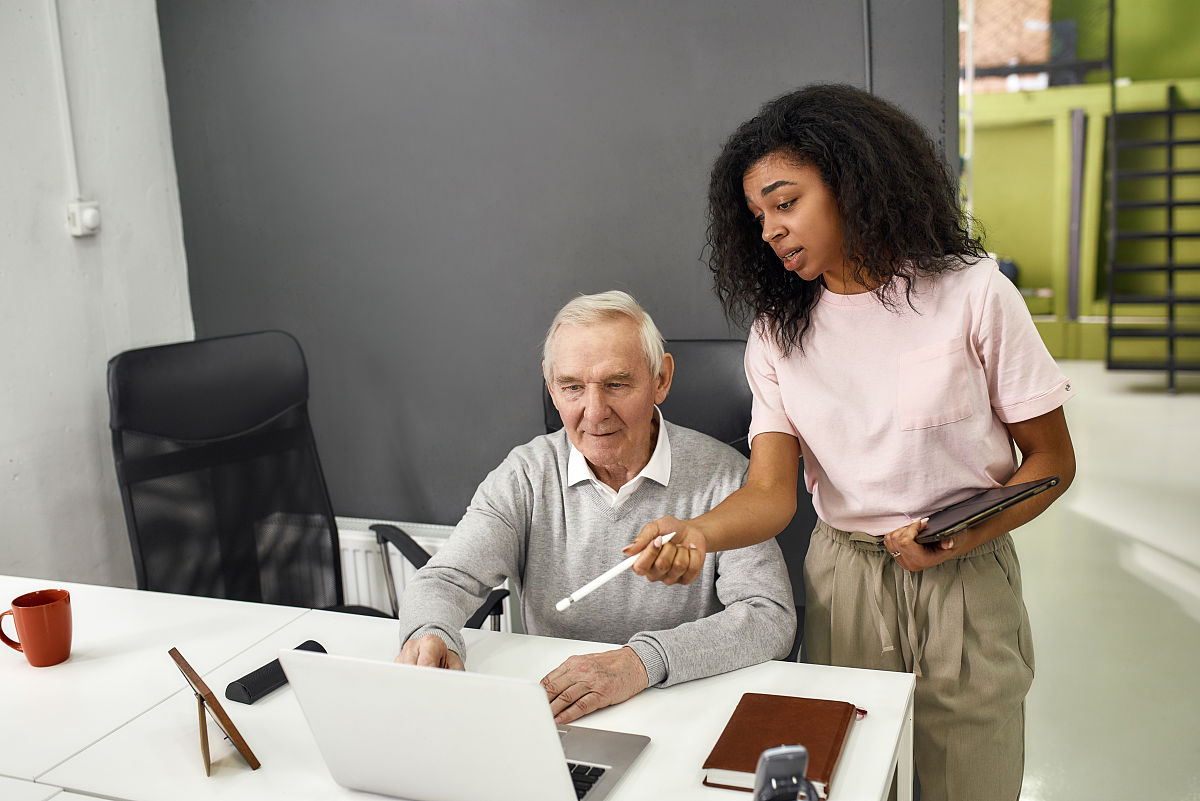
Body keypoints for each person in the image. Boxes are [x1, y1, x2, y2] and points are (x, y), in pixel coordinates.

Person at [626, 84, 1076, 801]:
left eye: (785, 201)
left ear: (853, 179)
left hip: (964, 575)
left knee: (971, 782)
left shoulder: (974, 294)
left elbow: (1051, 462)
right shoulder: (779, 333)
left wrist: (961, 537)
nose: (770, 229)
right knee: (858, 780)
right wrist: (695, 532)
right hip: (844, 579)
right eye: (758, 215)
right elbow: (772, 493)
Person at [395, 290, 795, 725]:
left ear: (661, 379)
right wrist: (430, 630)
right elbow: (446, 579)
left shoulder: (727, 477)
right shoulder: (527, 474)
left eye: (616, 384)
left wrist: (640, 663)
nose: (594, 411)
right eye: (572, 388)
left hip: (681, 709)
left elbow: (768, 617)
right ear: (552, 390)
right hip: (557, 711)